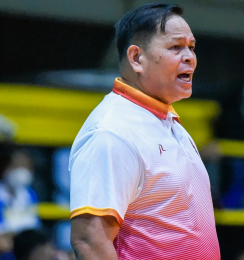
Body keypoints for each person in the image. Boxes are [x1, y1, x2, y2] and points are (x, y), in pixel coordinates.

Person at [69, 3, 220, 260]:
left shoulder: (169, 123)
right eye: (176, 47)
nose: (190, 57)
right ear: (137, 58)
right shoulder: (113, 131)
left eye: (191, 47)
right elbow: (89, 241)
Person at [0, 149, 40, 256]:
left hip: (23, 247)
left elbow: (32, 230)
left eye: (26, 167)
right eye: (17, 166)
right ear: (5, 169)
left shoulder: (30, 195)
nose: (22, 171)